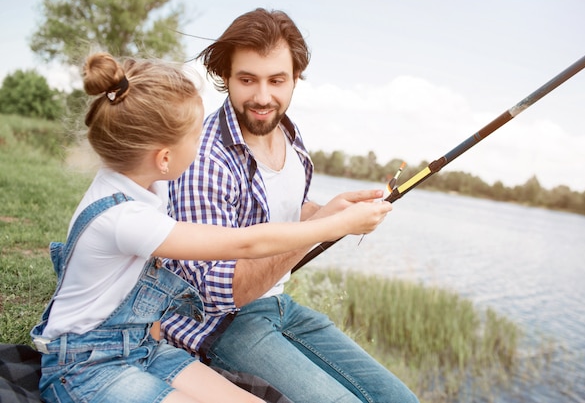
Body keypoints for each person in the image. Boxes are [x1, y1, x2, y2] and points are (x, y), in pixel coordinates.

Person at [29, 51, 392, 403]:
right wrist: (332, 226)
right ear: (165, 157)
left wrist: (327, 211)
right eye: (195, 135)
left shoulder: (143, 182)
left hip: (144, 348)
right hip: (86, 367)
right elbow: (245, 244)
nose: (204, 142)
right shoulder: (123, 218)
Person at [163, 8, 419, 403]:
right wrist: (326, 229)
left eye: (277, 80)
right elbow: (218, 295)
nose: (263, 97)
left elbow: (286, 214)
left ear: (295, 79)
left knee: (400, 399)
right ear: (225, 78)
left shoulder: (289, 136)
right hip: (223, 324)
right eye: (247, 79)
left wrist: (332, 210)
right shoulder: (206, 159)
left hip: (280, 306)